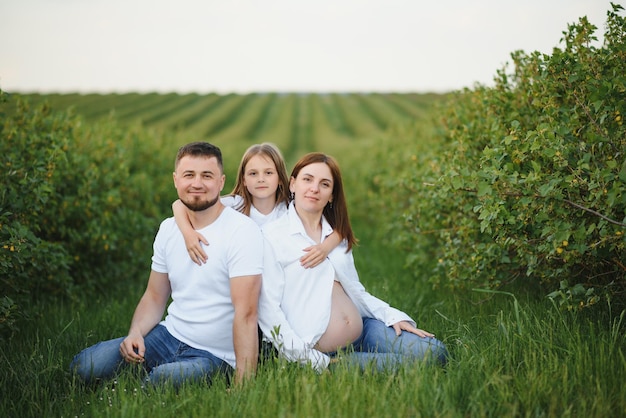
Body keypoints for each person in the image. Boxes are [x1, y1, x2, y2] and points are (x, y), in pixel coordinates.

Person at [70, 142, 263, 387]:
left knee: (161, 382)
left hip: (214, 354)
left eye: (207, 175)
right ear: (175, 179)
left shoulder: (242, 231)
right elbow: (154, 296)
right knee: (84, 367)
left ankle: (149, 381)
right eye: (189, 175)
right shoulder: (169, 229)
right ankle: (143, 372)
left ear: (221, 181)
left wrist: (243, 384)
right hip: (168, 336)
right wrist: (136, 332)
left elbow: (246, 313)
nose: (197, 183)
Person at [258, 152, 448, 373]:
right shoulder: (271, 237)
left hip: (364, 329)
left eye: (325, 184)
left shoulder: (336, 237)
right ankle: (343, 367)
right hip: (322, 352)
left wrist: (390, 315)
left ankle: (371, 357)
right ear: (292, 184)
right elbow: (268, 311)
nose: (314, 189)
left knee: (435, 353)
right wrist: (312, 360)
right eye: (307, 179)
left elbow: (355, 290)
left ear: (331, 195)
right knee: (422, 364)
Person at [172, 143, 341, 267]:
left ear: (280, 177)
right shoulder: (234, 205)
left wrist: (325, 248)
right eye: (253, 174)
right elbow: (179, 205)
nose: (261, 179)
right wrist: (188, 234)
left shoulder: (291, 207)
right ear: (244, 180)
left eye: (268, 173)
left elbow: (338, 230)